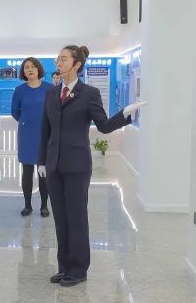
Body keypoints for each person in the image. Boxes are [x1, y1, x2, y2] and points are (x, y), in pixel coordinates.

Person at [38, 45, 144, 287]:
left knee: (76, 217)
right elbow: (45, 129)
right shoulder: (52, 94)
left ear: (77, 64)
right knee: (60, 218)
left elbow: (103, 125)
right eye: (57, 59)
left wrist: (124, 114)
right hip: (54, 165)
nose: (58, 63)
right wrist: (41, 160)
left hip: (77, 164)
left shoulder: (89, 93)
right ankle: (64, 266)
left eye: (64, 59)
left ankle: (78, 269)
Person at [10, 57, 49, 217]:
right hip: (26, 134)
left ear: (39, 69)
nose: (30, 69)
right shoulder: (19, 90)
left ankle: (44, 206)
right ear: (23, 72)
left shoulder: (49, 88)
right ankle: (27, 205)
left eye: (33, 66)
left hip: (45, 133)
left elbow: (54, 110)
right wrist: (26, 121)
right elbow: (14, 112)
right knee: (27, 171)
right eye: (27, 67)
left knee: (43, 172)